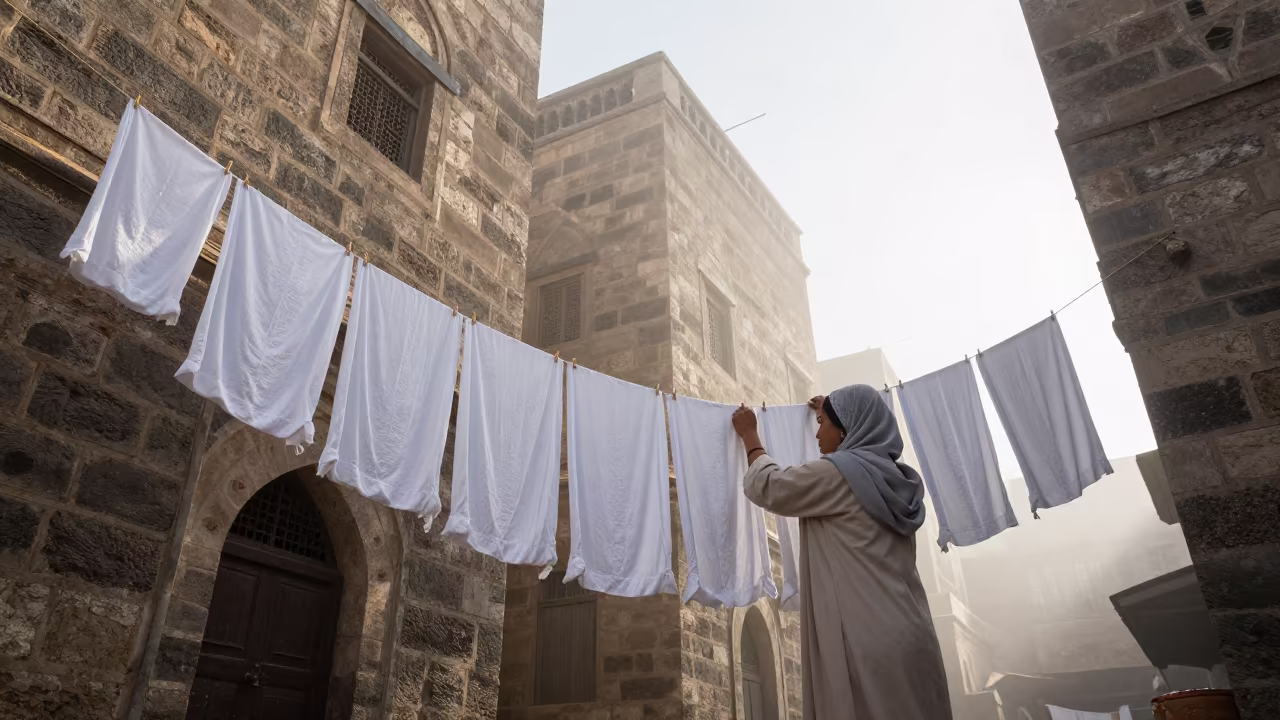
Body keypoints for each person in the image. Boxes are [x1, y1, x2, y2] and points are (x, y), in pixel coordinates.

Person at [731, 384, 952, 720]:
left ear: (846, 430)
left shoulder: (841, 475)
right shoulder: (893, 477)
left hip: (867, 641)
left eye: (823, 424)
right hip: (912, 634)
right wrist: (832, 412)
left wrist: (750, 437)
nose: (818, 433)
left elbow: (770, 486)